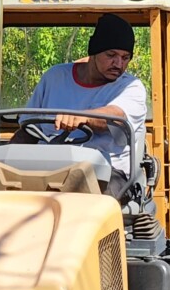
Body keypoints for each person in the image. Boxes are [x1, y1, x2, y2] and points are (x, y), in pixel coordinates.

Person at [21, 13, 147, 201]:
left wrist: (83, 118)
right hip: (50, 167)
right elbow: (28, 130)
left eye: (125, 57)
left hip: (107, 174)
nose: (119, 64)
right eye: (111, 55)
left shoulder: (130, 87)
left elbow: (116, 116)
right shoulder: (54, 78)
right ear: (94, 52)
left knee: (78, 193)